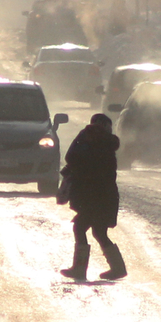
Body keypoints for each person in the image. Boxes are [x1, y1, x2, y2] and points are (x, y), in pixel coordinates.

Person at [60, 113, 127, 281]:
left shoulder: (87, 141)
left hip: (93, 195)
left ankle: (80, 269)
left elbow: (71, 158)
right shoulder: (108, 144)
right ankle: (117, 268)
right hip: (106, 195)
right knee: (98, 231)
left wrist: (82, 136)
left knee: (82, 227)